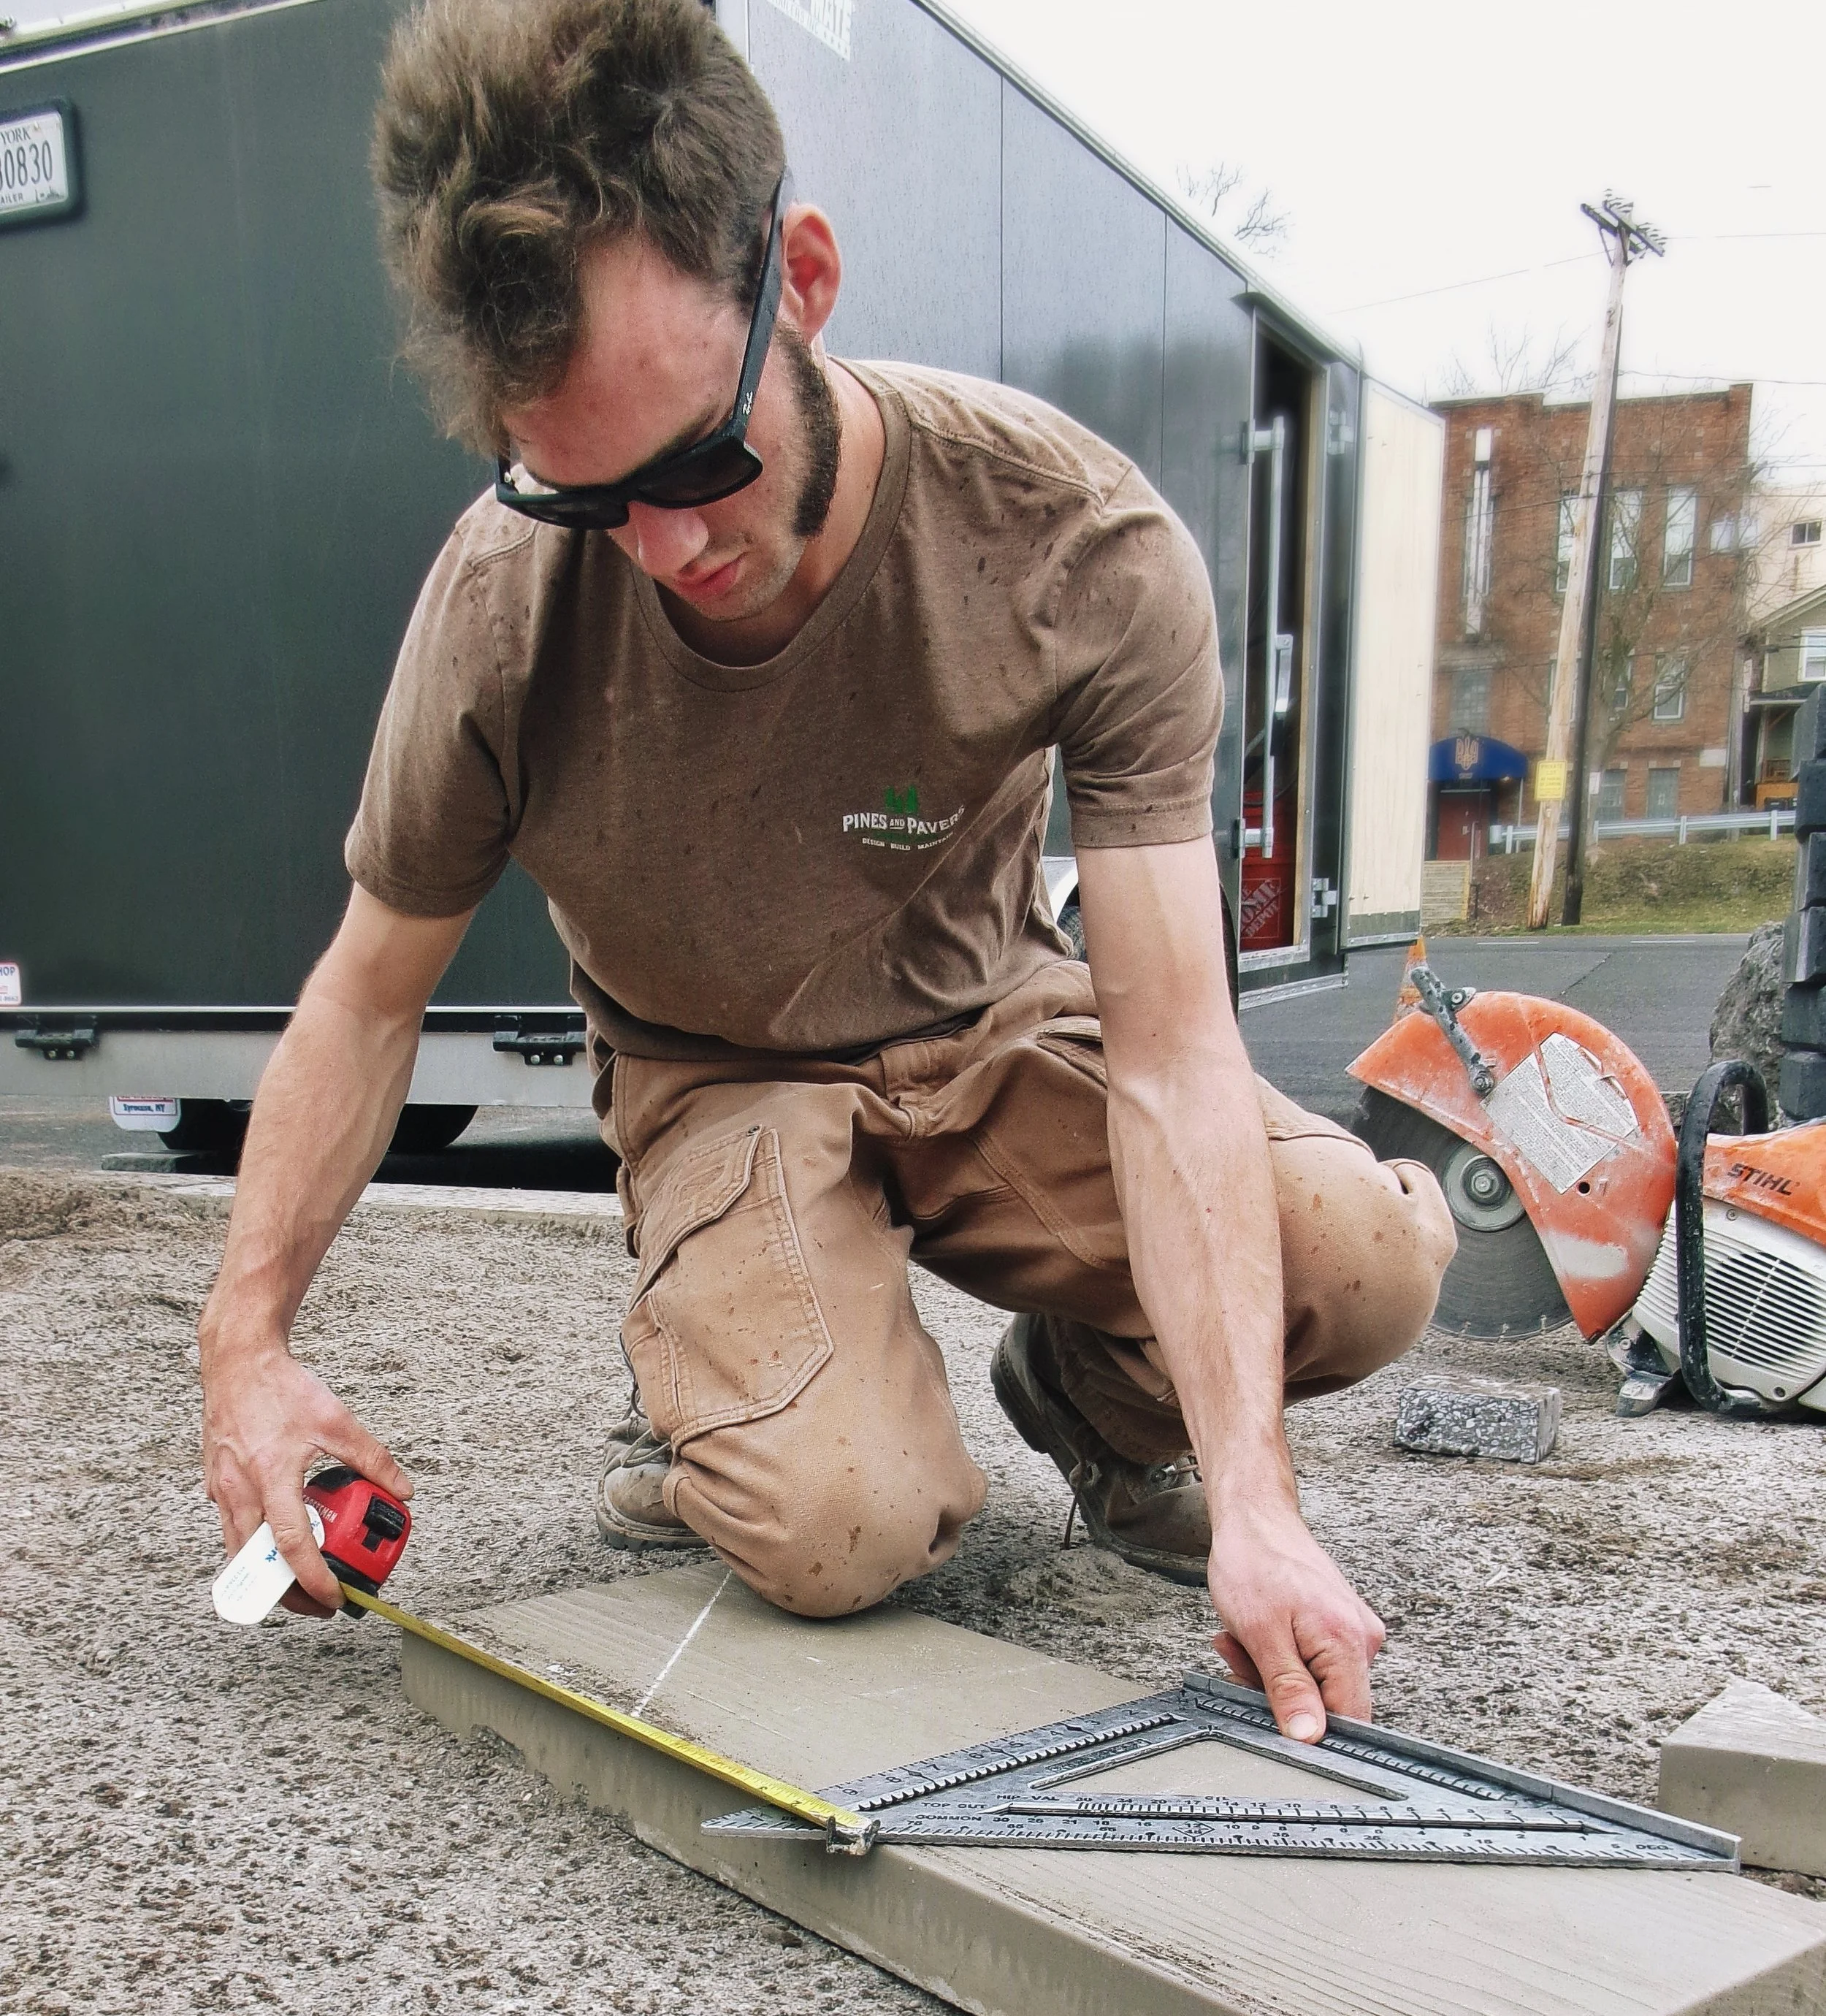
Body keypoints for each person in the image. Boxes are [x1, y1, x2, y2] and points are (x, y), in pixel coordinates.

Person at [198, 0, 1455, 1744]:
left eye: (700, 461)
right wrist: (247, 1344)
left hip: (991, 1031)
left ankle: (1095, 1400)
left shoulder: (1068, 547)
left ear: (799, 279)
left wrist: (1253, 1495)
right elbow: (364, 996)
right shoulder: (498, 605)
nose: (665, 545)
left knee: (1366, 1259)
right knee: (841, 1524)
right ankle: (709, 1375)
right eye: (586, 495)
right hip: (715, 1078)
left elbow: (1173, 1055)